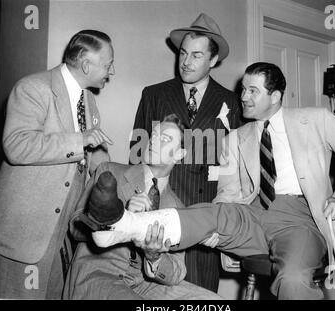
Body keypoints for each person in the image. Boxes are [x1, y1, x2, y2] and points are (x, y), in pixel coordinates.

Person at [91, 63, 335, 300]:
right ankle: (126, 225)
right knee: (214, 212)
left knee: (294, 278)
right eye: (243, 89)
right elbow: (227, 194)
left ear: (275, 96)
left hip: (299, 219)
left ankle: (128, 226)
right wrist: (219, 239)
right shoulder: (235, 138)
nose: (243, 97)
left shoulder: (315, 119)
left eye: (253, 91)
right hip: (252, 213)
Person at [0, 30, 115, 299]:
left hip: (62, 234)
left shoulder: (89, 101)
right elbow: (16, 145)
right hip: (28, 233)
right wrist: (79, 140)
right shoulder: (33, 87)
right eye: (108, 64)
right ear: (86, 65)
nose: (112, 71)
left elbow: (90, 156)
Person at [129, 12, 242, 292]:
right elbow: (136, 155)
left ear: (213, 60)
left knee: (200, 294)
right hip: (158, 213)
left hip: (206, 221)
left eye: (196, 55)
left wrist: (228, 224)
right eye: (183, 53)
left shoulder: (231, 102)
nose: (186, 62)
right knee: (157, 290)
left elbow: (236, 169)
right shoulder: (153, 95)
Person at [65, 114, 222, 300]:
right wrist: (120, 216)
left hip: (145, 284)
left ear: (179, 154)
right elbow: (75, 226)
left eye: (164, 139)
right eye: (153, 135)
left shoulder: (178, 208)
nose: (154, 141)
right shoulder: (109, 171)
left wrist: (155, 257)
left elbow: (177, 272)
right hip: (98, 275)